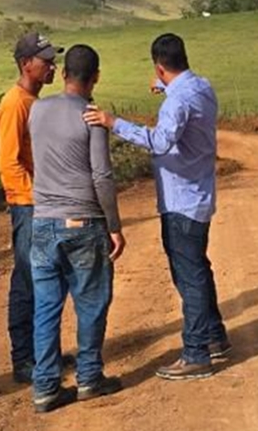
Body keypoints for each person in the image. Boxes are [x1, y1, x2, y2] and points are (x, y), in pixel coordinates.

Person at [84, 33, 229, 381]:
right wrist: (166, 88)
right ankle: (214, 336)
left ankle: (196, 354)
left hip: (181, 200)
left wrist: (112, 122)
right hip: (198, 196)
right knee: (199, 269)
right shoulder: (201, 87)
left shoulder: (177, 102)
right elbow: (182, 100)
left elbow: (160, 142)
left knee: (188, 275)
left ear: (159, 66)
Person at [28, 44, 125, 413]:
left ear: (65, 73)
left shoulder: (37, 110)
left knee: (46, 307)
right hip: (84, 221)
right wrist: (114, 225)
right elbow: (101, 176)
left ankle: (45, 388)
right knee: (91, 302)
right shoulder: (92, 116)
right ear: (95, 76)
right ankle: (88, 378)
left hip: (42, 221)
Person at [0, 31, 62, 384]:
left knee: (45, 279)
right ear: (26, 64)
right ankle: (23, 359)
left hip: (40, 204)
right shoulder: (15, 103)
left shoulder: (33, 102)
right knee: (26, 280)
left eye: (53, 60)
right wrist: (37, 200)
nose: (53, 66)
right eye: (46, 60)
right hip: (28, 205)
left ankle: (40, 352)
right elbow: (8, 163)